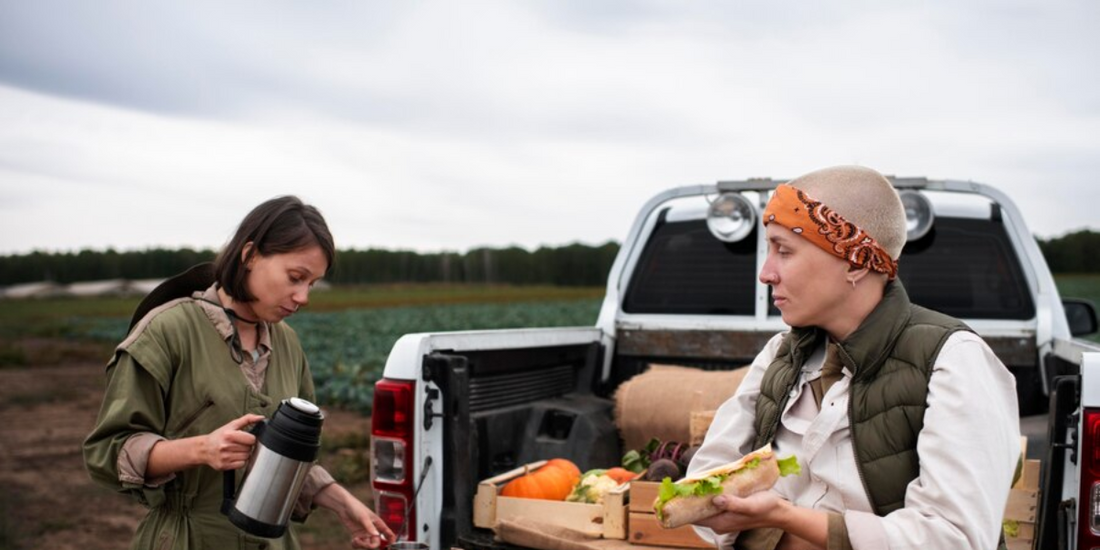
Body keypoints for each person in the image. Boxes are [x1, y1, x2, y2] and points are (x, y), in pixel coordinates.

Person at [687, 166, 1020, 550]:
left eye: (784, 250)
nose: (766, 273)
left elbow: (955, 539)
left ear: (856, 262)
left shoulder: (953, 360)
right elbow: (706, 483)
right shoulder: (780, 355)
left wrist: (783, 518)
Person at [83, 196, 396, 550]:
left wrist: (341, 501)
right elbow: (108, 453)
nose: (304, 296)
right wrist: (201, 449)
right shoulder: (167, 331)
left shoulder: (288, 344)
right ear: (250, 255)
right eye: (296, 277)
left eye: (311, 283)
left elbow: (290, 457)